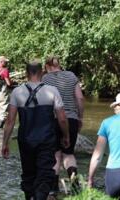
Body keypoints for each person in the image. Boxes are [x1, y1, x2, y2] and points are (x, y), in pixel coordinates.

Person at [1, 60, 70, 200]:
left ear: (26, 73)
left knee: (28, 173)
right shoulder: (52, 91)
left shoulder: (17, 92)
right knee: (45, 173)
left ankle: (30, 196)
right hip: (46, 139)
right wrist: (66, 135)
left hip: (25, 139)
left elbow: (10, 121)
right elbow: (62, 118)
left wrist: (5, 143)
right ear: (42, 72)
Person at [42, 56, 85, 194]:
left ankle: (53, 189)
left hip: (52, 120)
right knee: (69, 153)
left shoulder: (45, 79)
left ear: (47, 66)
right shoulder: (71, 76)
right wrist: (80, 117)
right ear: (59, 65)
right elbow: (79, 98)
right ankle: (75, 187)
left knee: (55, 154)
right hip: (71, 118)